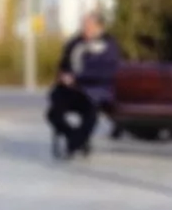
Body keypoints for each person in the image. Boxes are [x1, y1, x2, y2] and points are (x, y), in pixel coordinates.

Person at [46, 9, 120, 158]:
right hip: (70, 88)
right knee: (53, 113)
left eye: (89, 26)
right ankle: (75, 138)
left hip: (94, 90)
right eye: (84, 25)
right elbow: (64, 64)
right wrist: (63, 75)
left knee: (91, 114)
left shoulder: (108, 46)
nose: (85, 29)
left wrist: (77, 78)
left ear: (99, 27)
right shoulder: (75, 43)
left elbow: (105, 72)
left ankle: (75, 143)